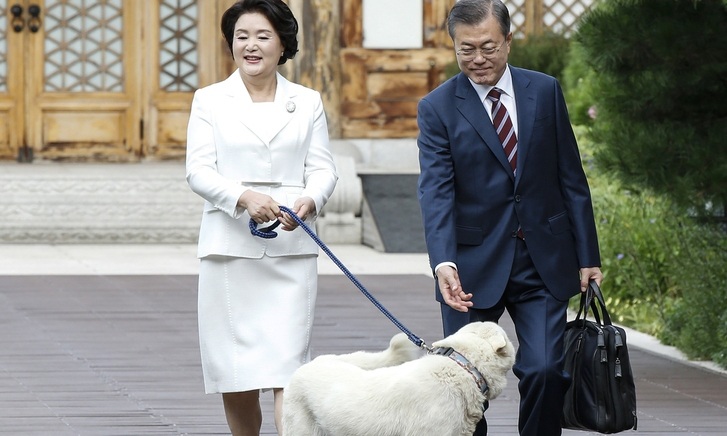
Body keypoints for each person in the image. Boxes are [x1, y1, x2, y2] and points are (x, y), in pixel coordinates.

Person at [416, 1, 603, 435]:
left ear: (508, 41)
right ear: (454, 47)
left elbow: (570, 177)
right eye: (466, 50)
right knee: (463, 383)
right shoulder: (438, 107)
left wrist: (587, 255)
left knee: (545, 370)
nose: (478, 59)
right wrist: (443, 262)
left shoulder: (544, 90)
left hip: (544, 259)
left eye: (488, 47)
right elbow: (436, 190)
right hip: (471, 265)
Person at [185, 1, 337, 434]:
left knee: (289, 367)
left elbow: (323, 167)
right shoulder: (209, 100)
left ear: (283, 43)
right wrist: (243, 197)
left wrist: (310, 199)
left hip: (291, 247)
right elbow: (198, 170)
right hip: (228, 249)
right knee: (235, 370)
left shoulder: (307, 102)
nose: (250, 46)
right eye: (242, 37)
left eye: (262, 36)